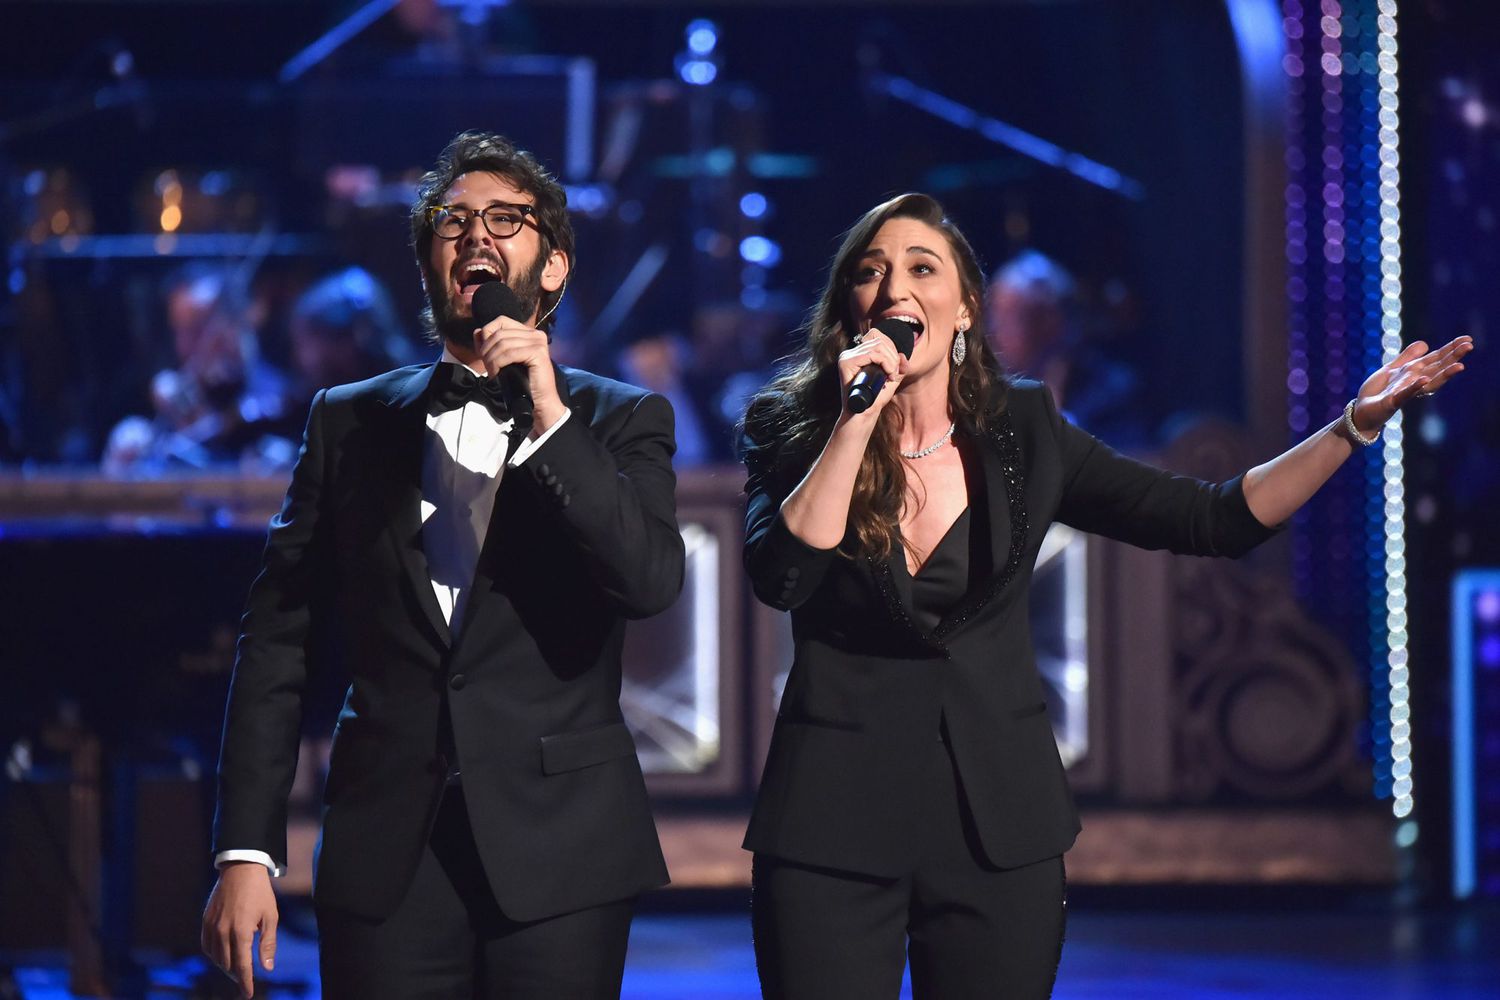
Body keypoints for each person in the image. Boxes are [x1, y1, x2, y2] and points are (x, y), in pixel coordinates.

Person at [738, 192, 1471, 999]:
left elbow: (1210, 517)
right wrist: (854, 421)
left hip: (998, 825)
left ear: (966, 308)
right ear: (850, 305)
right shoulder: (793, 428)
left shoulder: (1026, 431)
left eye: (922, 267)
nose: (895, 288)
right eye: (870, 273)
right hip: (834, 822)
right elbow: (783, 575)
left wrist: (1350, 428)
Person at [200, 131, 685, 999]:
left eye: (507, 218)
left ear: (555, 266)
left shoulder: (622, 420)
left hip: (562, 853)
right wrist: (246, 848)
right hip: (388, 853)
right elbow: (276, 641)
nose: (477, 236)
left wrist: (549, 418)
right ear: (427, 265)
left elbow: (646, 580)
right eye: (452, 221)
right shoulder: (348, 422)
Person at [985, 250, 1148, 449]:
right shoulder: (991, 389)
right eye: (995, 315)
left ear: (1051, 323)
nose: (994, 331)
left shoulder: (1111, 390)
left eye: (1010, 317)